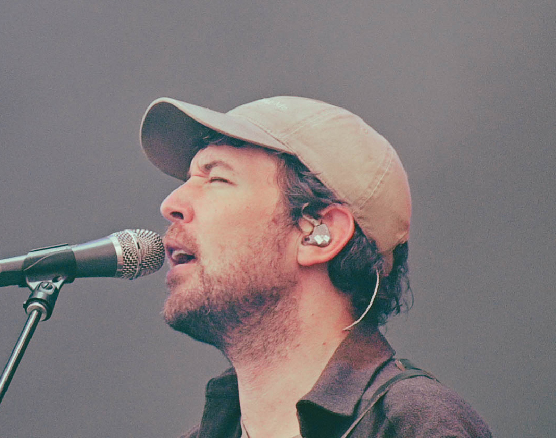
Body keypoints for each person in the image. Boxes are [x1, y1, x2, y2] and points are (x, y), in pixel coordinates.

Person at [139, 96, 491, 438]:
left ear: (317, 233)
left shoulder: (413, 425)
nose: (171, 203)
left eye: (217, 178)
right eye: (187, 179)